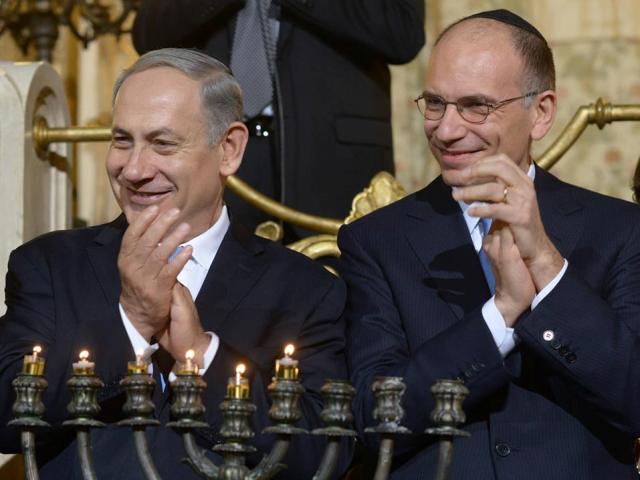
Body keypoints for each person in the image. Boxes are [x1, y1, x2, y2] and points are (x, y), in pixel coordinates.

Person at [0, 48, 350, 479]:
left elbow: (321, 456)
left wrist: (199, 355)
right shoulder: (49, 266)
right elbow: (6, 416)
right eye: (122, 140)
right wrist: (130, 322)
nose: (133, 169)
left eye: (162, 143)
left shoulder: (305, 290)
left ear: (229, 149)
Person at [338, 9, 640, 479]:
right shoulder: (376, 240)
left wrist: (545, 264)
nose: (446, 129)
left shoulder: (621, 230)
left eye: (476, 105)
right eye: (435, 103)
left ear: (540, 113)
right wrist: (497, 316)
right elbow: (376, 420)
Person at [132, 1, 425, 234]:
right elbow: (148, 33)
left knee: (343, 298)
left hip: (332, 157)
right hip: (217, 149)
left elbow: (402, 32)